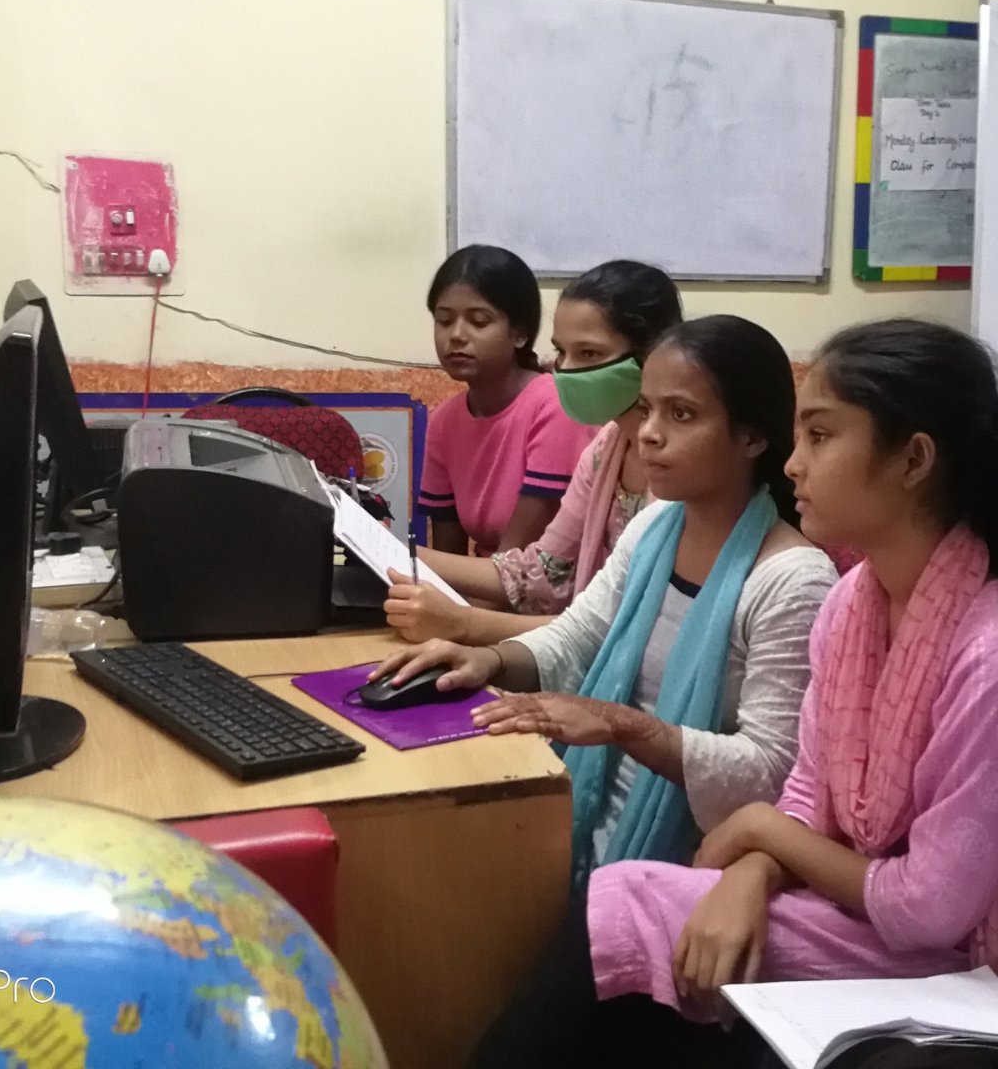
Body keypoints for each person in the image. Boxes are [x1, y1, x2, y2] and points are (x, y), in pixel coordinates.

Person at [471, 319, 998, 1068]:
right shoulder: (855, 604)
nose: (795, 464)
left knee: (628, 912)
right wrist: (753, 866)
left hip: (957, 956)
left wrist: (757, 834)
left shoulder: (981, 652)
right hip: (857, 905)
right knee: (640, 926)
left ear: (913, 460)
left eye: (820, 437)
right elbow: (810, 792)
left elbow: (927, 906)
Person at [376, 315, 837, 887]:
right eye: (647, 410)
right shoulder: (657, 526)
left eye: (682, 415)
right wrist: (488, 660)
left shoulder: (792, 582)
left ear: (752, 436)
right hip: (586, 821)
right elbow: (578, 635)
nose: (649, 433)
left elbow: (769, 774)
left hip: (686, 867)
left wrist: (621, 725)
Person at [387, 260, 682, 645]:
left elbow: (618, 624)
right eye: (562, 352)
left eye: (590, 354)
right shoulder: (605, 450)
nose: (566, 371)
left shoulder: (679, 464)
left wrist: (463, 625)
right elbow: (544, 571)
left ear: (653, 353)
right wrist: (394, 554)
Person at [416, 244, 596, 558]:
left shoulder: (554, 404)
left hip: (550, 591)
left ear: (520, 334)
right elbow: (449, 556)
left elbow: (518, 561)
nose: (456, 335)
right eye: (444, 321)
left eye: (479, 321)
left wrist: (407, 562)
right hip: (486, 587)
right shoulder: (444, 421)